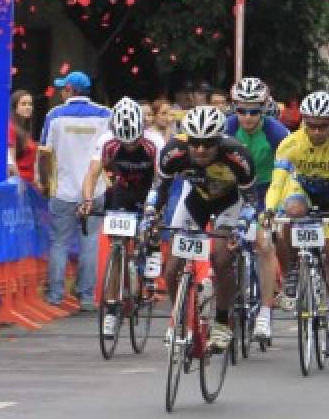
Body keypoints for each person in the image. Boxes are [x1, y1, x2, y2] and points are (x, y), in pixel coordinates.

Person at [145, 106, 257, 351]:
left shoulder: (238, 155)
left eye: (208, 144)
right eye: (195, 143)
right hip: (196, 200)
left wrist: (241, 226)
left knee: (220, 256)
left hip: (229, 201)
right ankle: (180, 319)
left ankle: (222, 320)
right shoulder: (173, 151)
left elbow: (251, 201)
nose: (201, 150)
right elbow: (159, 189)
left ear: (219, 141)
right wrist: (150, 214)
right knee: (173, 267)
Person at [266, 91, 329, 357]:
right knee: (289, 210)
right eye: (311, 125)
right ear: (303, 122)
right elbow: (278, 182)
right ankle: (292, 268)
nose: (317, 131)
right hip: (304, 189)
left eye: (323, 126)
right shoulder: (290, 144)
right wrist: (270, 209)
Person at [79, 97, 162, 337]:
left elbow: (162, 179)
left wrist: (154, 209)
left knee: (152, 218)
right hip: (123, 191)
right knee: (117, 244)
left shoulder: (154, 141)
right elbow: (92, 174)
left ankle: (152, 250)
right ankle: (113, 308)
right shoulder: (107, 142)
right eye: (125, 142)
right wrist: (86, 201)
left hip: (151, 189)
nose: (130, 147)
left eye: (134, 142)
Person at [223, 77, 289, 340]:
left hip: (266, 190)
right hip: (234, 189)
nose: (247, 117)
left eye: (254, 111)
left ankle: (264, 312)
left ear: (264, 109)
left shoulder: (276, 132)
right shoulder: (226, 128)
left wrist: (279, 205)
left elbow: (289, 170)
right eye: (241, 110)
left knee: (264, 244)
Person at [39, 70, 111, 309]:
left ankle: (55, 295)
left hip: (64, 191)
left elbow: (45, 153)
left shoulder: (55, 116)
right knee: (89, 242)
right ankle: (87, 297)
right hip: (96, 190)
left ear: (70, 90)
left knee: (59, 243)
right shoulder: (105, 115)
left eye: (63, 88)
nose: (61, 92)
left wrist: (44, 182)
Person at [8, 90, 39, 191]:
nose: (28, 107)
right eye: (23, 104)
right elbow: (11, 163)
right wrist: (20, 186)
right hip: (20, 187)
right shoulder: (11, 128)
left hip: (30, 185)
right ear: (15, 107)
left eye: (30, 104)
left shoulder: (25, 131)